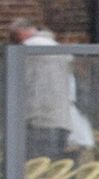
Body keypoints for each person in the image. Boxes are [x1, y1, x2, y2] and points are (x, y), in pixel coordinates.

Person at [8, 18, 74, 160]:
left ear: (19, 33)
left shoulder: (24, 50)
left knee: (29, 171)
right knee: (48, 169)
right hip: (61, 120)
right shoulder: (59, 49)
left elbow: (17, 84)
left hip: (36, 120)